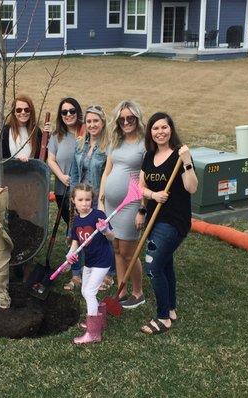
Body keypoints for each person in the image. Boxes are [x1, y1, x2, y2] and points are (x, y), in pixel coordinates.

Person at [138, 112, 197, 334]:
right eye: (155, 128)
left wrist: (188, 162)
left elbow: (192, 188)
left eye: (164, 127)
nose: (160, 132)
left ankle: (163, 317)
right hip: (154, 217)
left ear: (171, 129)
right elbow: (140, 186)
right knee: (165, 264)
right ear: (150, 132)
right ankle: (171, 308)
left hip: (174, 221)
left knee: (153, 266)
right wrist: (152, 198)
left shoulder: (179, 156)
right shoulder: (149, 155)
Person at [98, 100, 147, 310]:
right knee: (116, 248)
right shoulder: (115, 142)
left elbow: (146, 179)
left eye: (130, 118)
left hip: (131, 204)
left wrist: (142, 209)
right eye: (122, 119)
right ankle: (122, 289)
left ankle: (138, 292)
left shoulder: (145, 144)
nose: (126, 122)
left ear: (137, 119)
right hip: (111, 205)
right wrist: (101, 200)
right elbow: (107, 172)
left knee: (129, 251)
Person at [64, 184, 114, 344]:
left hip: (103, 261)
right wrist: (70, 254)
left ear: (92, 200)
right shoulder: (77, 220)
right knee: (85, 291)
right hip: (90, 261)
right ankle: (99, 320)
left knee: (90, 292)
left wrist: (105, 230)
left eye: (88, 199)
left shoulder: (98, 215)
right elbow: (76, 242)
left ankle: (93, 333)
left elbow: (112, 237)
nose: (85, 203)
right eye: (80, 199)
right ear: (73, 201)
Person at [69, 104, 111, 289]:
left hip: (98, 197)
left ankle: (105, 274)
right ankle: (76, 274)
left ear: (102, 122)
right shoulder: (80, 143)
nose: (92, 125)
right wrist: (75, 198)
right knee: (76, 233)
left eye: (96, 121)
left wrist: (101, 201)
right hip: (81, 197)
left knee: (99, 237)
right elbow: (75, 172)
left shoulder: (108, 147)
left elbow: (108, 175)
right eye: (89, 121)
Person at [45, 97, 83, 291]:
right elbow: (50, 159)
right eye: (64, 112)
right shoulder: (56, 136)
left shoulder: (84, 132)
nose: (68, 115)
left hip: (83, 193)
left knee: (79, 229)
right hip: (63, 189)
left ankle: (78, 269)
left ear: (78, 112)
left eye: (72, 111)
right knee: (73, 228)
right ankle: (78, 261)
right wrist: (61, 176)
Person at [0, 94, 42, 160]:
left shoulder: (36, 131)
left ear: (31, 111)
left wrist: (47, 136)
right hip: (10, 169)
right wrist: (16, 162)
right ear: (14, 112)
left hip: (33, 170)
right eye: (19, 110)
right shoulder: (4, 132)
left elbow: (42, 157)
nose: (23, 112)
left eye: (26, 110)